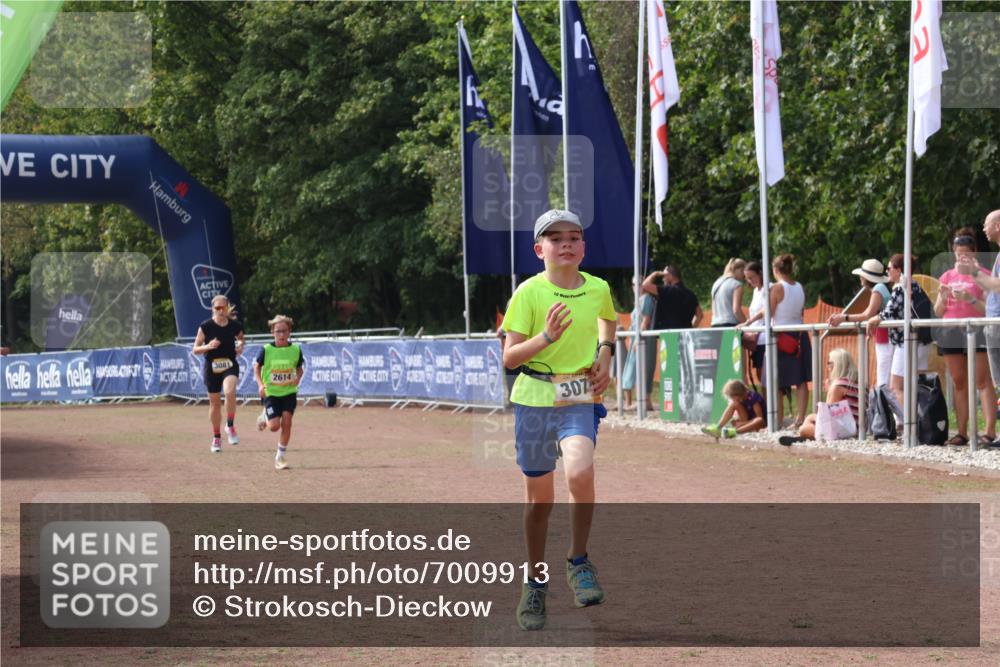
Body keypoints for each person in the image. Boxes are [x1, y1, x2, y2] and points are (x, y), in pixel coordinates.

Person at [501, 209, 616, 631]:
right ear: (539, 249)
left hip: (577, 394)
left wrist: (605, 353)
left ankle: (578, 561)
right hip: (534, 395)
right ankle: (534, 582)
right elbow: (509, 357)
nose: (565, 243)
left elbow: (608, 322)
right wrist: (546, 338)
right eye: (555, 238)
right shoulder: (528, 294)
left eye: (573, 236)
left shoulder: (598, 288)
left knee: (581, 471)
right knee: (539, 501)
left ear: (583, 246)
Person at [934, 229, 996, 447]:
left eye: (966, 254)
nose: (962, 258)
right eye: (959, 254)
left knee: (982, 380)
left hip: (977, 329)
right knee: (959, 382)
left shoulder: (984, 274)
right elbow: (939, 311)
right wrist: (942, 296)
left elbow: (988, 309)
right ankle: (961, 431)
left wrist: (969, 298)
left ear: (975, 253)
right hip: (951, 331)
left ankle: (989, 431)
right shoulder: (947, 276)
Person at [740, 254, 811, 428]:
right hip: (799, 334)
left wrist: (749, 321)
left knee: (775, 380)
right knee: (801, 380)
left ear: (774, 270)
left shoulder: (777, 288)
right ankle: (800, 419)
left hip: (780, 337)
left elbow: (768, 312)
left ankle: (778, 420)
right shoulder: (799, 286)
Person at [865, 254, 932, 421]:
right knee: (917, 386)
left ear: (899, 270)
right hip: (923, 341)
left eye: (889, 268)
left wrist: (875, 319)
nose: (887, 271)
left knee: (896, 387)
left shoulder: (900, 288)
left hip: (907, 342)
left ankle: (909, 425)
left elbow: (888, 312)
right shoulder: (915, 286)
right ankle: (922, 424)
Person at [827, 259, 893, 388]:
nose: (860, 278)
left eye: (862, 275)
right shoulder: (882, 287)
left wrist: (843, 318)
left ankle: (883, 406)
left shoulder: (878, 289)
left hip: (886, 339)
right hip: (886, 337)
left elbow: (867, 314)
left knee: (884, 379)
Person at [192, 294, 245, 453]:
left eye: (224, 307)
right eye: (217, 308)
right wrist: (207, 346)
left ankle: (230, 425)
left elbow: (241, 338)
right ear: (212, 309)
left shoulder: (235, 325)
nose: (221, 311)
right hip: (212, 367)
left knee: (229, 391)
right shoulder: (205, 326)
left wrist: (240, 345)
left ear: (228, 308)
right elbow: (195, 349)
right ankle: (216, 437)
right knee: (214, 403)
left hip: (229, 364)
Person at [254, 315, 305, 470]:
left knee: (287, 423)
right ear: (272, 333)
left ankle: (280, 457)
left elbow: (299, 368)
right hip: (271, 393)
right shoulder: (266, 350)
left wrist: (297, 378)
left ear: (289, 332)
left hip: (289, 392)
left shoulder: (296, 350)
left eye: (284, 331)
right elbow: (256, 367)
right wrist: (260, 385)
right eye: (278, 331)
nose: (281, 334)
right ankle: (265, 415)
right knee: (274, 426)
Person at [779, 348, 859, 445]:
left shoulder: (838, 385)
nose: (828, 367)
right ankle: (806, 437)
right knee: (810, 417)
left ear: (837, 365)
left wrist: (829, 390)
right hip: (857, 427)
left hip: (845, 430)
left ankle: (806, 437)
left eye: (829, 363)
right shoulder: (857, 382)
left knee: (803, 428)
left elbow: (827, 416)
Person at [963, 210, 1000, 408]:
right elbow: (991, 287)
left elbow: (998, 286)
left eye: (986, 224)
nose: (983, 229)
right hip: (994, 323)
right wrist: (974, 273)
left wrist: (975, 271)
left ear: (998, 226)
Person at [621, 280, 656, 411]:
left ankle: (642, 402)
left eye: (640, 283)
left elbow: (646, 321)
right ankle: (631, 402)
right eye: (634, 284)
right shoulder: (639, 300)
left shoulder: (646, 299)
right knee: (631, 369)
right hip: (635, 338)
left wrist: (637, 338)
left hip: (641, 339)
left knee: (638, 369)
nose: (636, 287)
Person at [642, 264, 702, 331]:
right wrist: (691, 329)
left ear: (670, 276)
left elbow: (645, 285)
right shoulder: (691, 294)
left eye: (664, 276)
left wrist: (656, 273)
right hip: (686, 336)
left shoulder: (666, 290)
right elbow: (699, 315)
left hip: (670, 335)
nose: (663, 279)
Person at [701, 379, 766, 439]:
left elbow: (760, 418)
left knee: (759, 420)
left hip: (758, 424)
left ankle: (734, 432)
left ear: (738, 394)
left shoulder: (753, 397)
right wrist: (737, 419)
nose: (731, 399)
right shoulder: (739, 400)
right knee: (734, 404)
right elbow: (743, 414)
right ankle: (718, 427)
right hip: (746, 423)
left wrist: (743, 423)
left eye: (732, 397)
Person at [737, 261, 766, 386]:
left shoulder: (768, 288)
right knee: (761, 376)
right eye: (747, 278)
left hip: (764, 338)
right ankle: (766, 404)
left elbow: (765, 311)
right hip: (756, 338)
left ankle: (770, 404)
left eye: (752, 277)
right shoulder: (756, 291)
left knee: (764, 376)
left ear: (760, 273)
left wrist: (747, 323)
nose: (750, 281)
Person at [710, 258, 747, 327]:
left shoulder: (716, 283)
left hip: (715, 324)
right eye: (743, 273)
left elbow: (713, 308)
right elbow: (736, 310)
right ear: (740, 270)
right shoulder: (737, 284)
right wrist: (747, 324)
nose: (744, 276)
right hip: (729, 325)